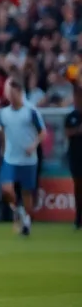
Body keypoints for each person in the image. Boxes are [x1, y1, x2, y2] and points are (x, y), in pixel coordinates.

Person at [0, 80, 45, 237]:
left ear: (20, 93)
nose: (12, 96)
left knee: (26, 193)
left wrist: (33, 145)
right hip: (10, 158)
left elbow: (42, 132)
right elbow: (1, 130)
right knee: (6, 189)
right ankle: (20, 211)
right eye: (9, 93)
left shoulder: (30, 111)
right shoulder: (4, 113)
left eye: (14, 92)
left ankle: (26, 220)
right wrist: (3, 147)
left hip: (28, 159)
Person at [66, 85, 82, 230]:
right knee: (77, 187)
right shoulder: (71, 116)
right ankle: (78, 218)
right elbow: (68, 133)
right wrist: (78, 130)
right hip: (75, 155)